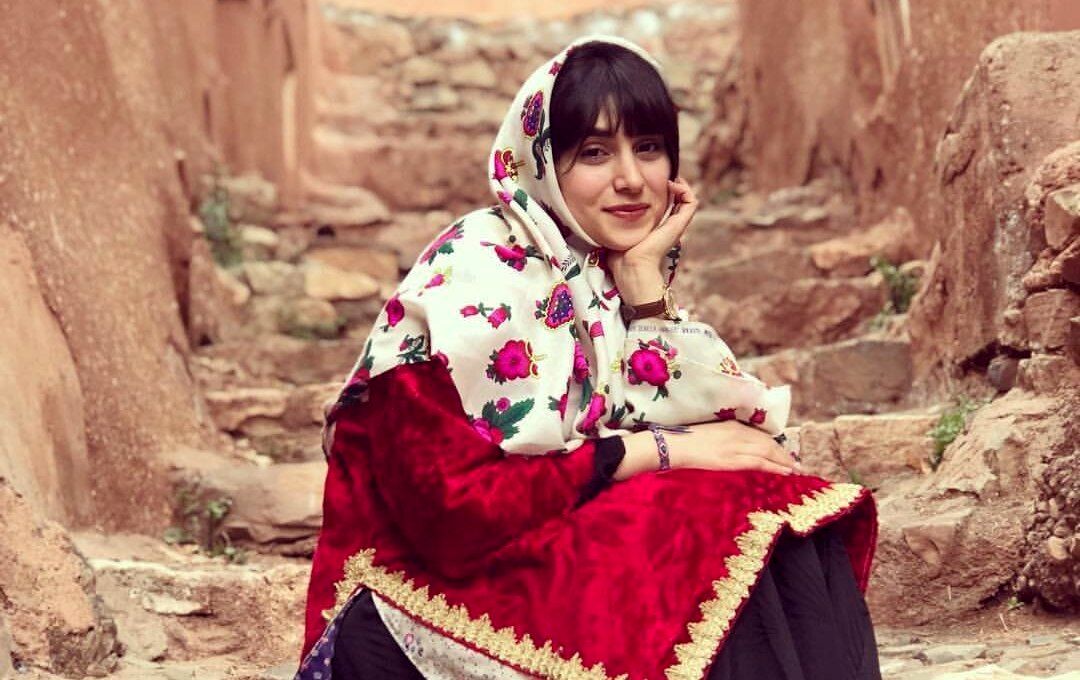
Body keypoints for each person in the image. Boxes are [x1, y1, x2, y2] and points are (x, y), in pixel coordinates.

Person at [296, 35, 881, 680]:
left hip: (533, 554)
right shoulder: (473, 271)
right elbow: (452, 517)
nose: (631, 179)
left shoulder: (598, 280)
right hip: (409, 603)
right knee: (716, 513)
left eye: (649, 148)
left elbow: (734, 436)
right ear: (543, 162)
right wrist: (655, 450)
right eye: (595, 153)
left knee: (768, 504)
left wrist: (645, 291)